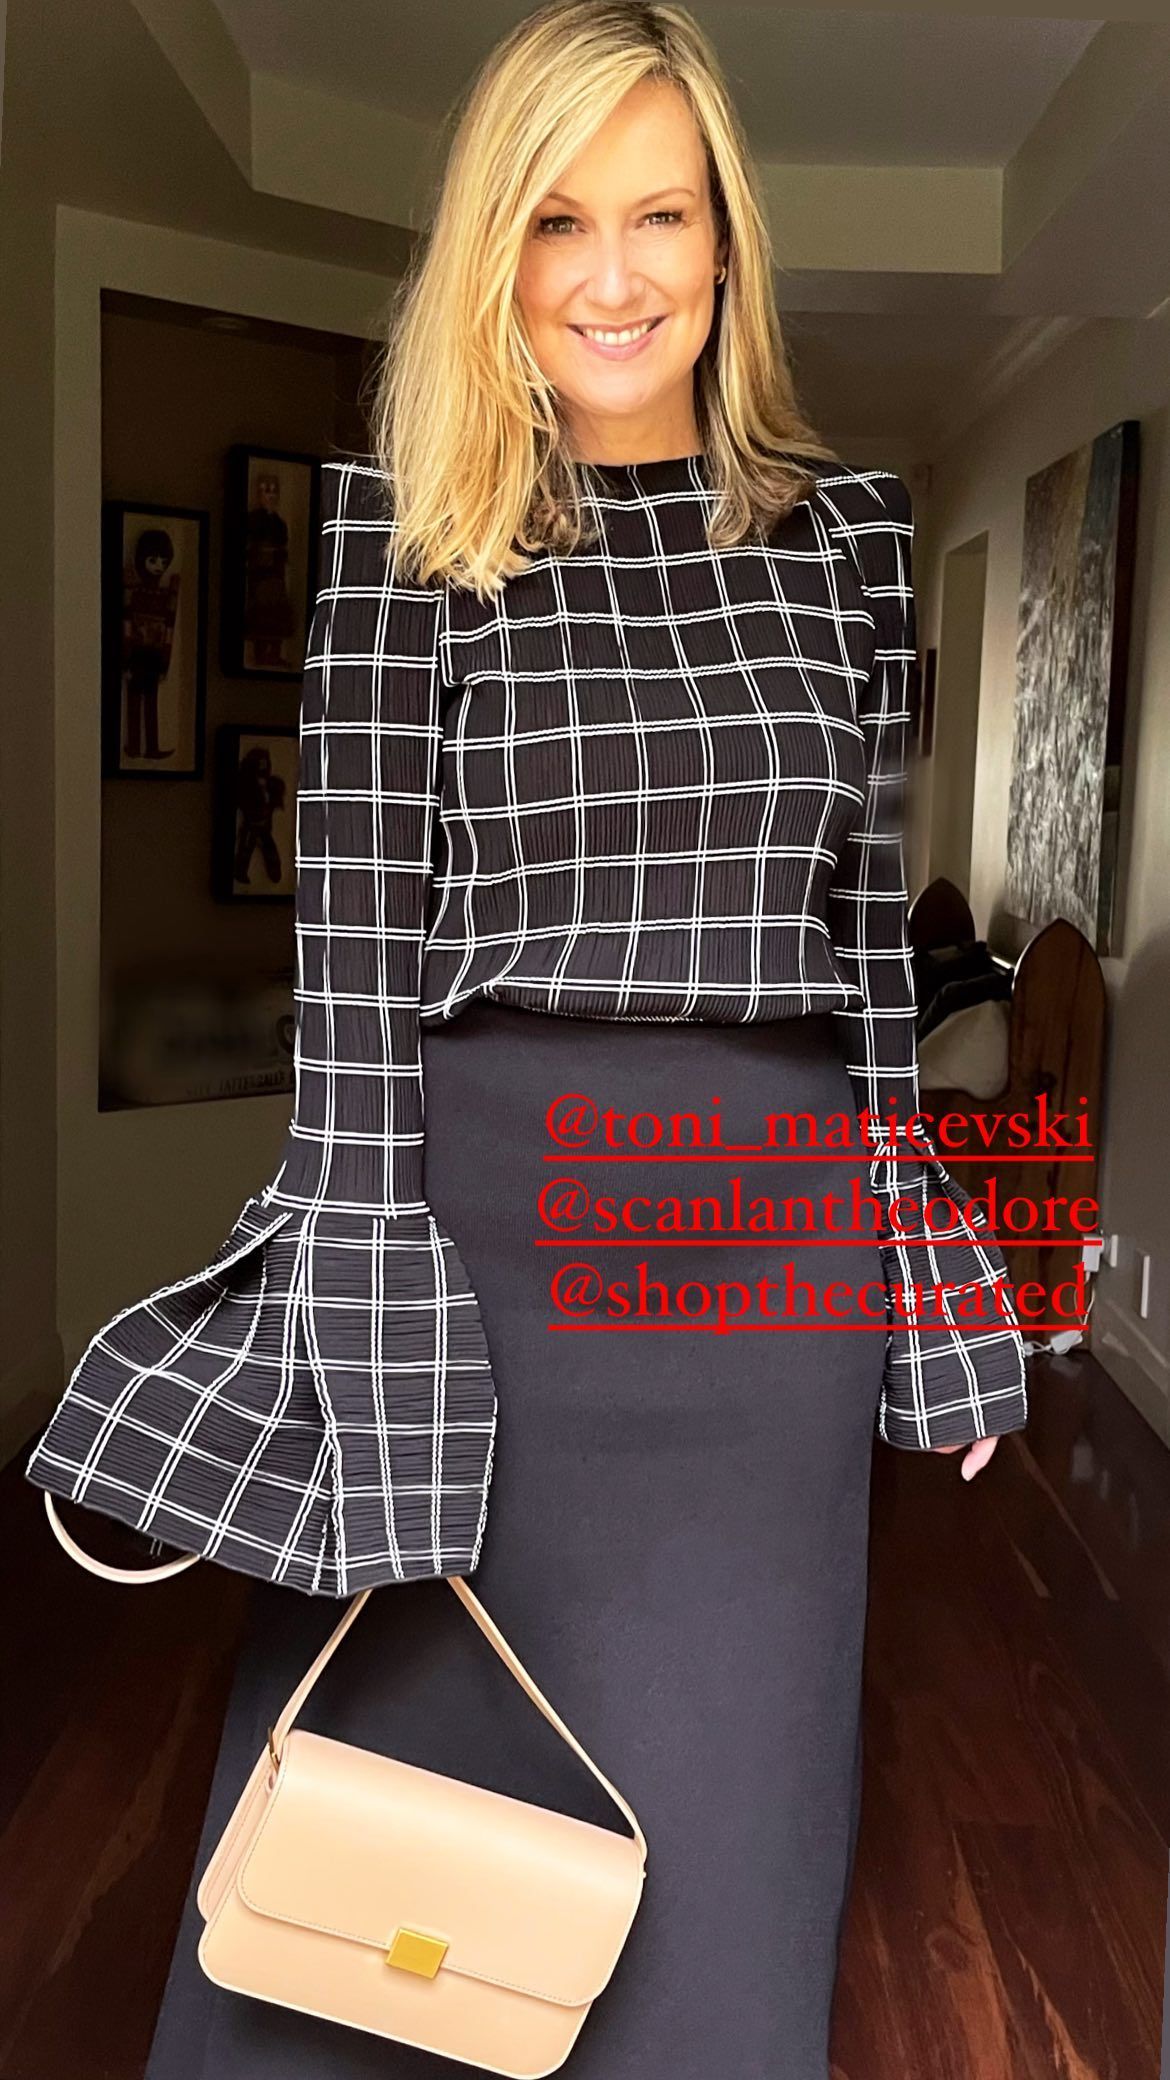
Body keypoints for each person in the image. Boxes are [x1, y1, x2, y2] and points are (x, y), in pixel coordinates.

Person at [26, 4, 1028, 2075]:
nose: (614, 273)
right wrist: (356, 1285)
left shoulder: (849, 541)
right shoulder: (407, 534)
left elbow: (864, 942)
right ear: (497, 250)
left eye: (661, 213)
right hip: (478, 1251)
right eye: (558, 218)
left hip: (769, 1269)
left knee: (734, 1814)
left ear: (728, 241)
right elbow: (349, 958)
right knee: (392, 1820)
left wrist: (933, 1280)